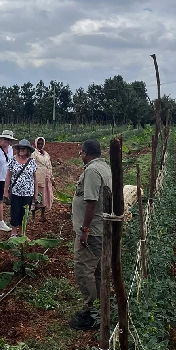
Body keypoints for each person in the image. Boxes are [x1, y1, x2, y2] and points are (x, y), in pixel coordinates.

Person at [69, 140, 112, 331]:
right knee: (97, 270)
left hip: (92, 231)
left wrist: (84, 230)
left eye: (81, 153)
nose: (80, 156)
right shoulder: (104, 167)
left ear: (85, 153)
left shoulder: (92, 171)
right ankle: (102, 308)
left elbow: (91, 203)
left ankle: (90, 312)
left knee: (83, 268)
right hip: (100, 229)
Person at [3, 139, 38, 237]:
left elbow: (35, 179)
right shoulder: (13, 160)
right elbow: (8, 176)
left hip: (28, 193)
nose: (21, 150)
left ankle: (22, 234)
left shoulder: (32, 162)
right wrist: (5, 191)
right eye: (20, 148)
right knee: (15, 212)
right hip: (15, 192)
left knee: (24, 213)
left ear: (28, 150)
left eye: (24, 148)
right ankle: (13, 233)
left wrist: (35, 193)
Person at [31, 137, 54, 222]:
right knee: (36, 196)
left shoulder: (46, 154)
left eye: (41, 144)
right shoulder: (33, 153)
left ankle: (42, 215)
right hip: (37, 177)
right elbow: (31, 165)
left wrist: (51, 176)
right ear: (36, 144)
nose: (40, 145)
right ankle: (33, 217)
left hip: (46, 177)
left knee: (44, 196)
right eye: (38, 144)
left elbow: (49, 165)